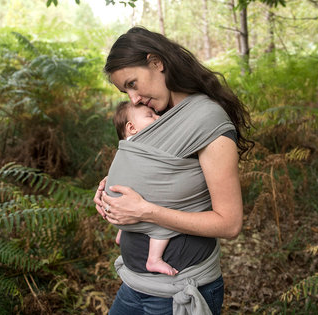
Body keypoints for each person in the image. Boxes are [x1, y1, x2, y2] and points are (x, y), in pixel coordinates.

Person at [94, 26, 252, 315]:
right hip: (133, 284)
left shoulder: (206, 120)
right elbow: (156, 172)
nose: (133, 99)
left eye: (133, 83)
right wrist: (110, 187)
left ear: (157, 63)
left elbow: (230, 223)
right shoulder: (159, 117)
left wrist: (144, 211)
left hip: (178, 292)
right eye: (124, 91)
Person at [110, 101, 178, 276]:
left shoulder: (125, 147)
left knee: (129, 198)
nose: (158, 117)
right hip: (136, 195)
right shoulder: (149, 142)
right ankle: (154, 259)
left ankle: (122, 232)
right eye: (150, 115)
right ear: (132, 128)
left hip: (118, 198)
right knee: (164, 224)